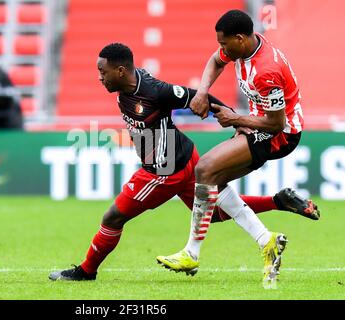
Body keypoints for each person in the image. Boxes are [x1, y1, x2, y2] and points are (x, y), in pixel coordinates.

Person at [48, 43, 319, 282]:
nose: (99, 78)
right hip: (185, 156)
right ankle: (278, 201)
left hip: (162, 171)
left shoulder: (154, 91)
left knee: (112, 217)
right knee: (212, 213)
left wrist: (236, 120)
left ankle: (86, 271)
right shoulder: (133, 82)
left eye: (102, 72)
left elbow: (196, 98)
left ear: (120, 71)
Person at [157, 10, 310, 286]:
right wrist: (202, 92)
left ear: (240, 39)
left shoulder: (266, 71)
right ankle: (267, 241)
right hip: (259, 122)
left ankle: (192, 252)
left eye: (225, 43)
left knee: (204, 169)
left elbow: (276, 124)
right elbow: (215, 61)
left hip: (281, 135)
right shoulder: (244, 48)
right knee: (212, 178)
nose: (221, 49)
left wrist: (236, 118)